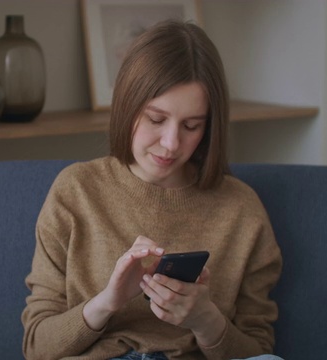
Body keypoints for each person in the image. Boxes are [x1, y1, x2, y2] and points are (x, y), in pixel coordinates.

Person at [21, 19, 282, 360]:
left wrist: (206, 322)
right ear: (127, 106)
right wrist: (108, 301)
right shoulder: (75, 192)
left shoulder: (242, 210)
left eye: (191, 126)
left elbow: (257, 350)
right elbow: (37, 346)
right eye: (156, 119)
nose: (171, 144)